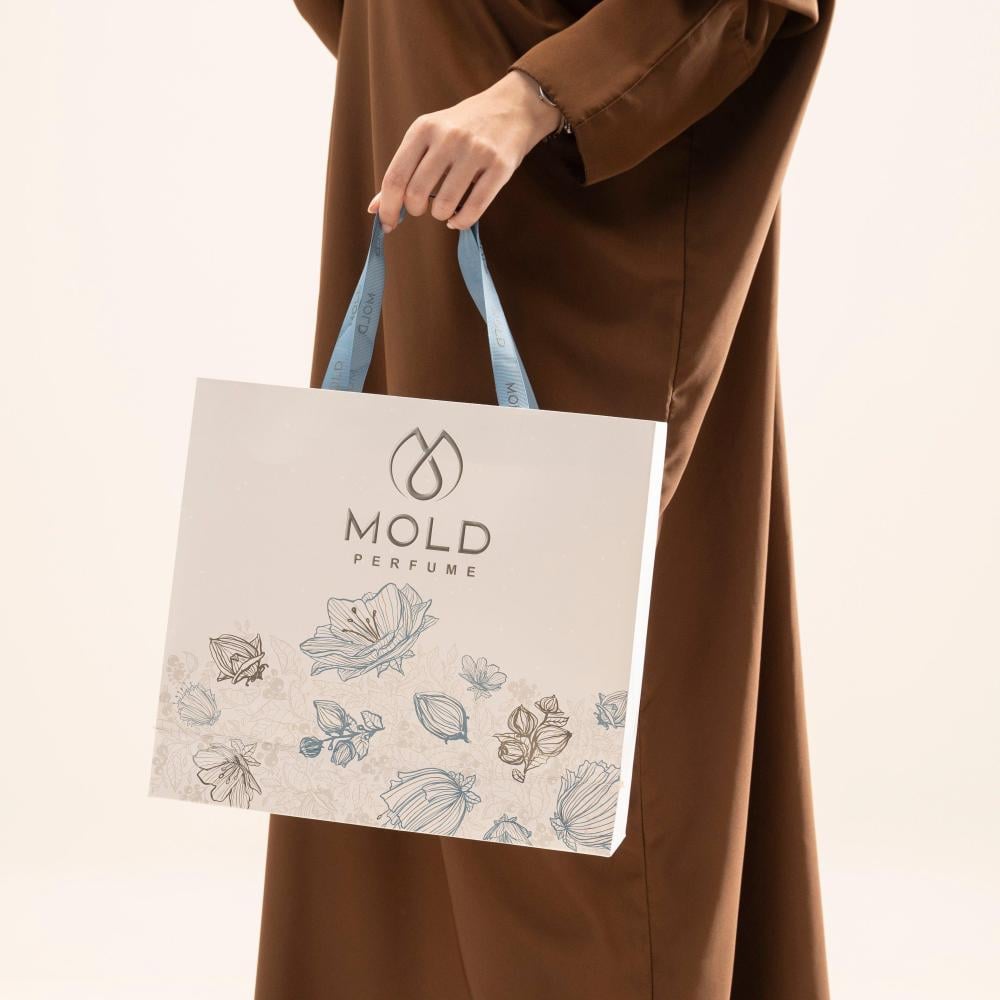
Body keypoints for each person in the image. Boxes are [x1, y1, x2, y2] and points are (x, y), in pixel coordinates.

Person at [255, 2, 834, 997]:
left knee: (560, 757)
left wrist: (537, 95)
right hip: (436, 151)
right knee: (390, 748)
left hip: (570, 195)